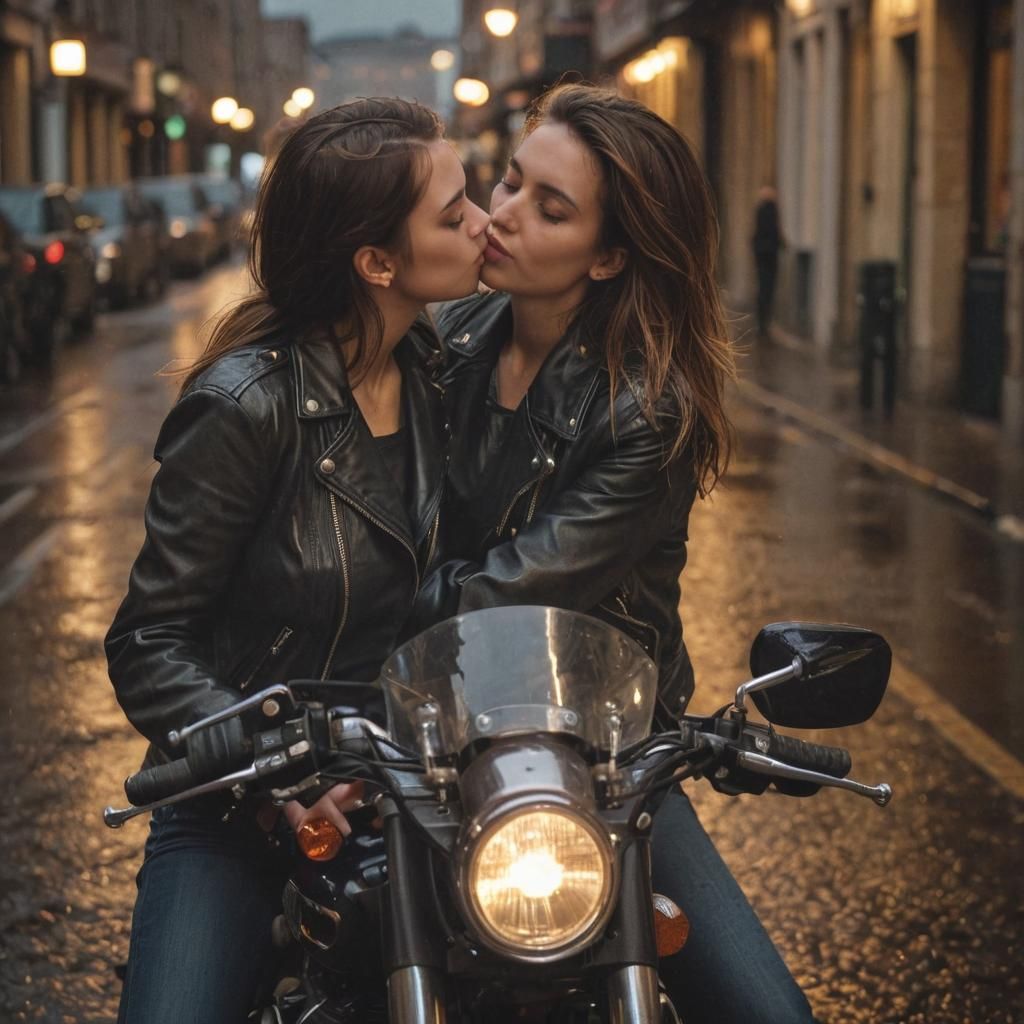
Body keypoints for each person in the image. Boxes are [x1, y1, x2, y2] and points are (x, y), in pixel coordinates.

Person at [413, 85, 815, 1024]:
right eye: (511, 183)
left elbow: (507, 592)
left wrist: (377, 598)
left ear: (608, 257)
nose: (505, 214)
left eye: (551, 208)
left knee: (767, 1012)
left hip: (602, 753)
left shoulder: (648, 410)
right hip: (431, 735)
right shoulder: (444, 342)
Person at [104, 97, 488, 1024]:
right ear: (376, 262)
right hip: (239, 806)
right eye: (455, 214)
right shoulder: (245, 406)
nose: (485, 223)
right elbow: (149, 640)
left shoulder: (447, 373)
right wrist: (274, 767)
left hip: (414, 794)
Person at [752, 184, 783, 336]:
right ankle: (764, 322)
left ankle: (762, 321)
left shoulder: (761, 210)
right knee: (767, 289)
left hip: (762, 254)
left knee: (763, 288)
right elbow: (773, 232)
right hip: (769, 255)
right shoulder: (771, 211)